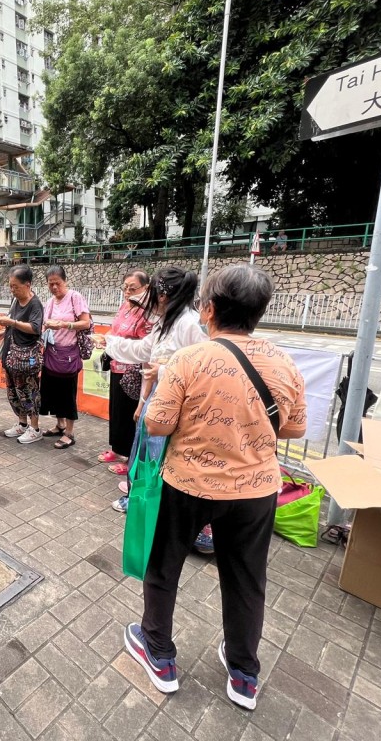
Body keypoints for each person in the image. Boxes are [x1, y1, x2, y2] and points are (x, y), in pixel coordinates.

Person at [124, 264, 306, 712]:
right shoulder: (283, 361)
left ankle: (160, 654)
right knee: (246, 580)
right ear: (259, 312)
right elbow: (296, 429)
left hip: (186, 484)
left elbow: (157, 422)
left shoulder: (189, 360)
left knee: (163, 568)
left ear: (208, 309)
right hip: (256, 491)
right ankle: (244, 672)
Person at [91, 267, 204, 520]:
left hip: (175, 405)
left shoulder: (190, 324)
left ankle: (152, 503)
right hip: (158, 398)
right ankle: (140, 498)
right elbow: (144, 349)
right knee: (144, 452)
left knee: (159, 456)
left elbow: (200, 371)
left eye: (153, 291)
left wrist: (162, 372)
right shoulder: (167, 321)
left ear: (162, 296)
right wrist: (108, 342)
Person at [96, 271, 156, 475]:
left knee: (130, 414)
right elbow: (115, 331)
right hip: (116, 366)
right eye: (125, 288)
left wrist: (117, 343)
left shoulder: (147, 314)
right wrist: (106, 339)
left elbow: (145, 347)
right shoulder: (124, 307)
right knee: (116, 412)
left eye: (133, 288)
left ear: (146, 289)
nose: (128, 292)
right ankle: (117, 449)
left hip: (133, 373)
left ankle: (129, 457)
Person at [38, 265, 91, 449]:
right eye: (50, 284)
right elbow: (44, 324)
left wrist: (63, 325)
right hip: (52, 353)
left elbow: (86, 323)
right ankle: (59, 425)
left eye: (57, 283)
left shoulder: (75, 297)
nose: (54, 288)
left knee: (68, 394)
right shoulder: (50, 302)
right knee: (52, 392)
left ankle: (69, 432)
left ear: (65, 281)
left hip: (68, 354)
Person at [0, 265, 44, 444]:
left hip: (26, 358)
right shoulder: (15, 301)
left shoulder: (35, 304)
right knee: (14, 392)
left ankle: (35, 428)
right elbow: (11, 323)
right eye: (10, 286)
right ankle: (22, 423)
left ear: (27, 284)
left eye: (15, 286)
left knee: (29, 392)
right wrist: (3, 331)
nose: (12, 290)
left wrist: (12, 322)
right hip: (11, 355)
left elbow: (35, 328)